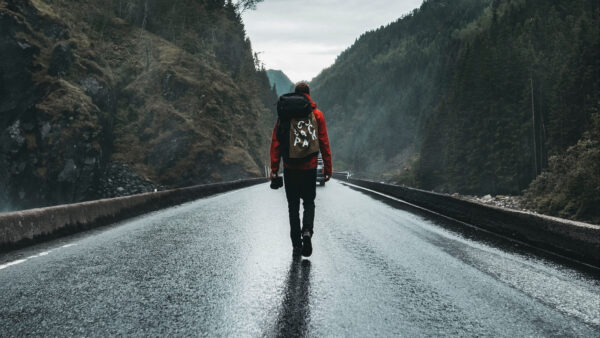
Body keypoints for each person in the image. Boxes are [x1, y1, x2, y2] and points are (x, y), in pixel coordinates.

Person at [270, 82, 332, 257]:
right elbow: (324, 142)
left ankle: (296, 244)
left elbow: (276, 142)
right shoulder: (317, 115)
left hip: (290, 168)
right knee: (309, 202)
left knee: (293, 206)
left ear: (295, 94)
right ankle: (307, 231)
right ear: (308, 94)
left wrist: (274, 168)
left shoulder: (284, 115)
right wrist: (328, 167)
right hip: (310, 167)